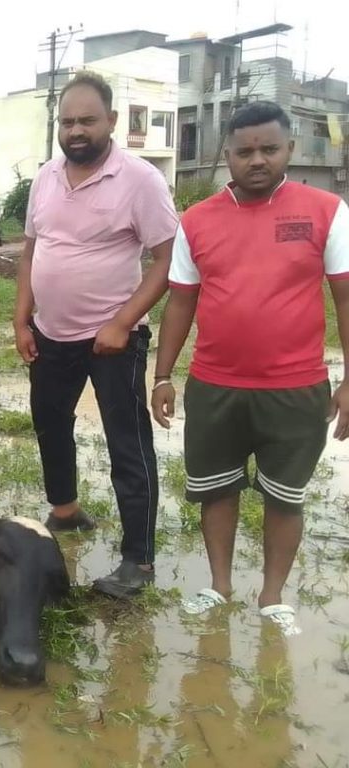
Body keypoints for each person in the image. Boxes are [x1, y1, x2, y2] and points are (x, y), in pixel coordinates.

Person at [152, 101, 349, 636]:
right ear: (227, 156)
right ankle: (218, 585)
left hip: (296, 388)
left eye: (269, 149)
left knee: (286, 498)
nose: (256, 160)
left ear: (289, 150)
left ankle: (272, 595)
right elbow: (180, 302)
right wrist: (163, 374)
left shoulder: (327, 211)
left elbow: (345, 299)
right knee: (216, 491)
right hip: (215, 386)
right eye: (244, 151)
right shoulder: (197, 221)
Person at [14, 71, 179, 598]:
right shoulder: (45, 178)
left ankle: (139, 562)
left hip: (113, 340)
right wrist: (22, 318)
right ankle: (65, 510)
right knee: (49, 422)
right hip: (51, 335)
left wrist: (123, 322)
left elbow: (167, 259)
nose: (76, 130)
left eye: (87, 120)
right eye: (67, 121)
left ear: (110, 120)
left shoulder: (140, 180)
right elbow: (31, 251)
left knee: (128, 445)